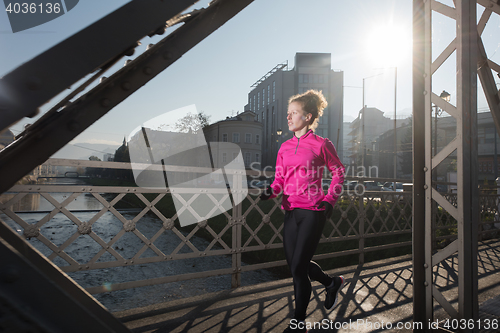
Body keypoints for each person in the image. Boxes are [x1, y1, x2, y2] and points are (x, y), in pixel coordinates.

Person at [260, 90, 345, 333]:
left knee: (298, 267)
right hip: (290, 212)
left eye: (294, 113)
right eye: (288, 113)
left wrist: (330, 201)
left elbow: (339, 172)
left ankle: (298, 324)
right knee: (297, 265)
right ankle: (331, 283)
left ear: (307, 117)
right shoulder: (284, 147)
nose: (289, 117)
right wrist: (270, 192)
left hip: (314, 210)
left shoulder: (321, 144)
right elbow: (279, 180)